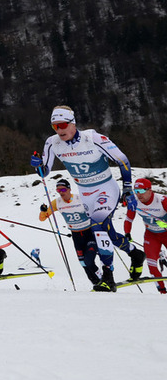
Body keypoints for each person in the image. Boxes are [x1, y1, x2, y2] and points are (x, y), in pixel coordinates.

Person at [31, 106, 145, 278]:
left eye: (62, 125)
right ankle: (135, 253)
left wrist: (128, 189)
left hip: (105, 188)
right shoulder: (51, 143)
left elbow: (123, 160)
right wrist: (37, 165)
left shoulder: (92, 138)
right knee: (108, 233)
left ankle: (108, 276)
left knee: (98, 228)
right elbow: (44, 172)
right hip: (85, 192)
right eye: (55, 126)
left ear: (73, 123)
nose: (59, 130)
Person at [39, 179, 116, 291]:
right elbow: (42, 218)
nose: (61, 192)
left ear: (69, 189)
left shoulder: (80, 199)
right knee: (83, 263)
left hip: (89, 233)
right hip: (76, 236)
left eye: (64, 189)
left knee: (89, 260)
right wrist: (43, 210)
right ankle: (96, 283)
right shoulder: (57, 203)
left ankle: (106, 280)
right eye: (58, 190)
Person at [122, 177, 167, 294]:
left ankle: (162, 256)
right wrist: (127, 233)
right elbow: (129, 218)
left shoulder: (161, 200)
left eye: (141, 191)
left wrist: (162, 223)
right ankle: (163, 293)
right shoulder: (134, 201)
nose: (138, 194)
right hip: (151, 235)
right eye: (136, 191)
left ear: (150, 190)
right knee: (151, 265)